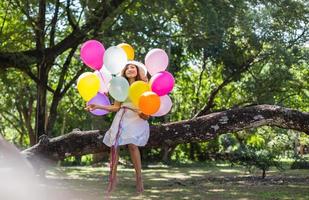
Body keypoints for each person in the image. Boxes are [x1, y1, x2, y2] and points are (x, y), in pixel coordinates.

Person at [85, 61, 150, 195]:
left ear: (138, 71)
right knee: (114, 147)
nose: (130, 69)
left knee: (133, 145)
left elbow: (149, 104)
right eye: (127, 68)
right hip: (122, 117)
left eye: (133, 67)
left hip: (137, 117)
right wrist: (98, 106)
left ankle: (139, 178)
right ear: (124, 72)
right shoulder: (121, 86)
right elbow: (115, 107)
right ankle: (112, 180)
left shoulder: (144, 85)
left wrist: (145, 113)